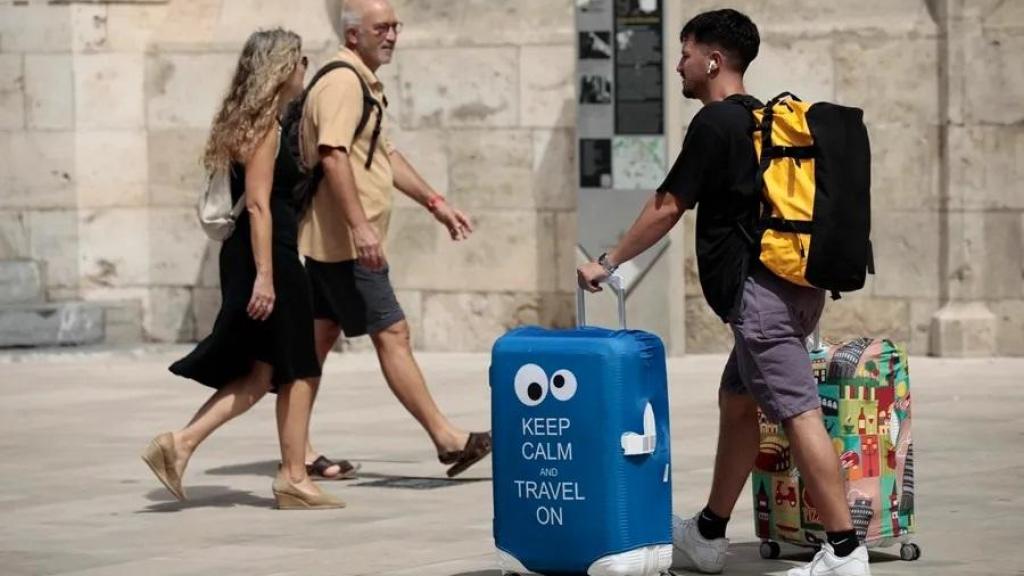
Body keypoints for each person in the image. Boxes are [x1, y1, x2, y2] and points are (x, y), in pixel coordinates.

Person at [577, 9, 871, 576]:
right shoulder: (761, 120)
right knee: (738, 401)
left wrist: (608, 261)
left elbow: (667, 205)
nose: (678, 67)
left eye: (685, 54)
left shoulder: (715, 125)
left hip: (760, 299)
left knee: (797, 412)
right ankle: (708, 533)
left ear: (713, 60)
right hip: (792, 290)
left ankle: (842, 552)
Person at [141, 29, 344, 510]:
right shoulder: (264, 130)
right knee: (298, 367)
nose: (304, 67)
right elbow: (257, 205)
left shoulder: (251, 123)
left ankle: (179, 445)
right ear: (279, 68)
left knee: (261, 374)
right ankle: (294, 476)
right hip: (267, 255)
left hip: (254, 255)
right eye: (299, 59)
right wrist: (268, 277)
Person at [297, 0, 491, 479]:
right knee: (394, 333)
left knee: (314, 345)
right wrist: (361, 227)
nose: (391, 35)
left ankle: (290, 452)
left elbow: (384, 154)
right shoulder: (344, 81)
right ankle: (447, 439)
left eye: (395, 26)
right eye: (380, 27)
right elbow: (334, 156)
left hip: (334, 243)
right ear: (352, 35)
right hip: (347, 246)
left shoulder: (361, 81)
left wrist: (435, 202)